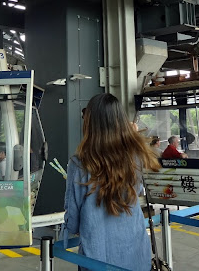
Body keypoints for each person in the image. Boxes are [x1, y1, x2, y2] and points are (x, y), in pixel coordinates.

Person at [64, 93, 161, 271]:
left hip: (96, 258)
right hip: (136, 255)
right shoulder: (136, 157)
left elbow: (72, 220)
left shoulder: (79, 163)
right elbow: (137, 190)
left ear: (90, 123)